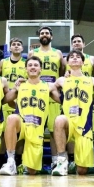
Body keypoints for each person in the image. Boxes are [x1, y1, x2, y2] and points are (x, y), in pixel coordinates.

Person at [51, 50, 94, 176]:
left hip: (85, 125)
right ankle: (62, 161)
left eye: (78, 57)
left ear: (82, 62)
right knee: (59, 119)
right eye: (71, 57)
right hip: (68, 122)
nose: (74, 58)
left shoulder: (91, 80)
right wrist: (62, 100)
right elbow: (46, 90)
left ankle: (75, 164)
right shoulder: (61, 80)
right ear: (67, 62)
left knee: (82, 171)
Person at [0, 56, 60, 175]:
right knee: (11, 118)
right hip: (22, 124)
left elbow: (64, 101)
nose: (32, 67)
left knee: (32, 171)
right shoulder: (20, 86)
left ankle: (25, 165)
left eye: (35, 65)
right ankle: (10, 161)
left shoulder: (49, 86)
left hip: (37, 129)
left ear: (40, 69)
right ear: (25, 69)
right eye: (30, 65)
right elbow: (3, 101)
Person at [28, 26, 65, 167]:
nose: (44, 35)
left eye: (47, 33)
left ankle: (56, 161)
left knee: (54, 130)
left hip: (53, 94)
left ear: (51, 37)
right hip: (37, 95)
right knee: (35, 129)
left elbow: (61, 71)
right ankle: (33, 162)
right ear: (39, 37)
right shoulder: (33, 53)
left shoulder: (58, 53)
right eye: (42, 33)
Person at [66, 34, 94, 173]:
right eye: (74, 41)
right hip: (71, 100)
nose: (77, 43)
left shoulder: (91, 59)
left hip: (86, 101)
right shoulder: (66, 62)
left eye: (79, 41)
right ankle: (71, 160)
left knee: (86, 131)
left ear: (84, 44)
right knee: (69, 128)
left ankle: (85, 161)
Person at [0, 37, 27, 170]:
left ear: (22, 48)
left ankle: (18, 160)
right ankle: (2, 158)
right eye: (13, 44)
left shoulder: (26, 63)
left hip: (19, 100)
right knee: (4, 133)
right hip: (5, 99)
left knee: (18, 133)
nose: (16, 46)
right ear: (10, 48)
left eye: (18, 44)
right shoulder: (3, 62)